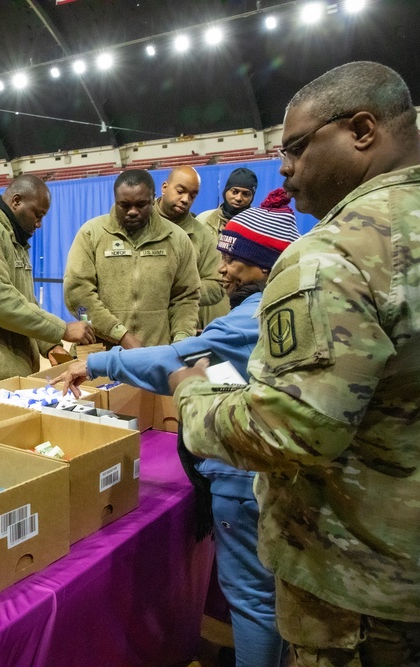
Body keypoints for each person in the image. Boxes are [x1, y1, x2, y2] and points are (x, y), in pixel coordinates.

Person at [170, 61, 420, 665]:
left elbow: (290, 430)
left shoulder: (337, 252)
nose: (284, 170)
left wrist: (191, 396)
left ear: (362, 129)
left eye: (294, 148)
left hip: (359, 591)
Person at [54, 189, 300, 667]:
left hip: (240, 471)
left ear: (265, 268)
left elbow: (174, 359)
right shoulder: (286, 307)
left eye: (235, 259)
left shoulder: (249, 321)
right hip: (267, 465)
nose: (224, 267)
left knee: (250, 597)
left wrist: (101, 361)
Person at [0, 175, 95, 389]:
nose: (39, 224)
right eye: (37, 215)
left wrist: (50, 345)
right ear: (16, 201)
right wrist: (62, 329)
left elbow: (25, 301)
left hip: (2, 375)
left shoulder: (13, 239)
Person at [63, 169, 200, 349]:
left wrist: (181, 339)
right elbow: (78, 292)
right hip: (100, 355)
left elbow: (186, 297)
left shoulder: (176, 238)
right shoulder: (91, 234)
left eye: (141, 204)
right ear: (115, 200)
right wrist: (120, 335)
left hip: (155, 353)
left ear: (153, 199)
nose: (132, 212)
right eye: (124, 205)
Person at [155, 166, 224, 331]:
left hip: (181, 327)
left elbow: (217, 286)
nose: (186, 199)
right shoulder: (138, 222)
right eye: (180, 191)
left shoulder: (202, 235)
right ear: (164, 188)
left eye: (192, 195)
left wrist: (180, 292)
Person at [196, 167, 259, 325]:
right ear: (225, 191)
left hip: (242, 302)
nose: (239, 198)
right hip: (208, 303)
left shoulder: (257, 226)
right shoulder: (203, 221)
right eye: (234, 191)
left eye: (246, 194)